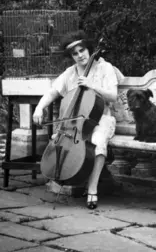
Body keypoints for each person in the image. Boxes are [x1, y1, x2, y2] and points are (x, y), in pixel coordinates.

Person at [32, 30, 124, 209]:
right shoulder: (70, 72)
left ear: (89, 50)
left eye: (82, 50)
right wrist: (39, 107)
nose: (79, 55)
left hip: (102, 118)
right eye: (75, 53)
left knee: (97, 141)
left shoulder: (105, 68)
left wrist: (92, 85)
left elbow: (112, 96)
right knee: (70, 142)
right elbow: (53, 92)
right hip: (75, 124)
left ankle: (92, 188)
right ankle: (76, 179)